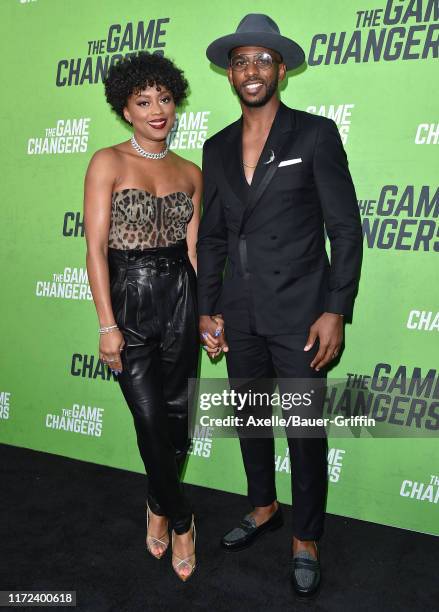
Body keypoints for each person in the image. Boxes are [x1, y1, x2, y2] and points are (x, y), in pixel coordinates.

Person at [197, 14, 363, 597]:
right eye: (241, 61)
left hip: (301, 314)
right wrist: (206, 309)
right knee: (248, 419)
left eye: (263, 60)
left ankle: (307, 536)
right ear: (230, 74)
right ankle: (264, 505)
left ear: (281, 70)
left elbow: (345, 228)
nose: (251, 70)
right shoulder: (214, 147)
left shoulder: (314, 135)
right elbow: (212, 237)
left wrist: (335, 309)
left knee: (303, 429)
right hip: (237, 314)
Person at [83, 51, 202, 582]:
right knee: (150, 418)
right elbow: (94, 250)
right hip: (129, 302)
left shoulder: (191, 173)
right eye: (143, 101)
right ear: (125, 109)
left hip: (181, 297)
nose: (157, 110)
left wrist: (205, 315)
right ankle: (182, 519)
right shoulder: (107, 161)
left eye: (165, 99)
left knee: (178, 423)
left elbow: (195, 254)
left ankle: (157, 502)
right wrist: (108, 325)